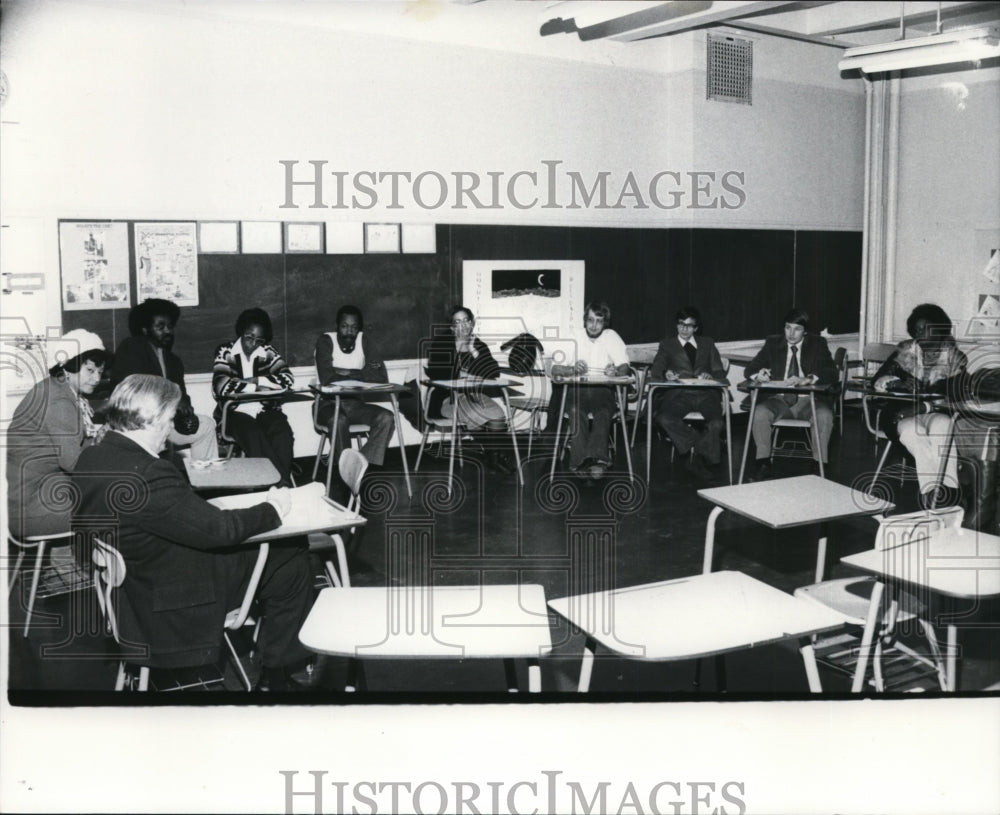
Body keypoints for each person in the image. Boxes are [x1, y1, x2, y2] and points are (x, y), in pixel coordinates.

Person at [72, 374, 315, 691]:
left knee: (267, 550)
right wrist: (274, 507)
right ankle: (277, 672)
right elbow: (222, 530)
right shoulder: (150, 474)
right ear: (152, 419)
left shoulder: (92, 457)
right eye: (170, 419)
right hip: (167, 601)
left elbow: (81, 542)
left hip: (129, 591)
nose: (172, 430)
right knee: (291, 555)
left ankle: (274, 662)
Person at [7, 329, 111, 568]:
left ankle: (67, 566)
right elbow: (74, 464)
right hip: (30, 509)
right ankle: (109, 573)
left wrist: (96, 441)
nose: (96, 378)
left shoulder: (55, 389)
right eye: (90, 370)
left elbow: (70, 452)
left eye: (100, 372)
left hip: (25, 497)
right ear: (68, 366)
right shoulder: (60, 401)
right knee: (120, 500)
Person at [871, 303, 967, 507]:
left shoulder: (955, 359)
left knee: (944, 427)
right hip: (899, 413)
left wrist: (923, 407)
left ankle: (948, 489)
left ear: (940, 329)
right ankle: (935, 493)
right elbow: (876, 381)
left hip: (937, 412)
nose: (920, 335)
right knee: (914, 433)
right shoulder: (905, 351)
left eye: (925, 329)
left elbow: (955, 396)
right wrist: (893, 381)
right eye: (916, 330)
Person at [110, 298, 218, 461]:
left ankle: (206, 481)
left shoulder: (173, 361)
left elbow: (182, 396)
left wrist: (187, 412)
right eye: (160, 327)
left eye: (170, 326)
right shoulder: (131, 348)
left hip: (165, 423)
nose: (168, 331)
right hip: (137, 424)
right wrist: (173, 403)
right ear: (145, 329)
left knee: (206, 425)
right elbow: (133, 392)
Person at [743, 307, 838, 481]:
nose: (791, 334)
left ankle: (819, 465)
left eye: (797, 329)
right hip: (778, 400)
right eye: (787, 328)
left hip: (808, 401)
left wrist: (810, 378)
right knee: (759, 412)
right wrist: (759, 374)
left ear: (806, 331)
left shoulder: (818, 344)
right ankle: (763, 462)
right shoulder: (773, 343)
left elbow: (832, 372)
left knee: (824, 415)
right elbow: (751, 368)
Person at [423, 306, 516, 474]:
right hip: (447, 399)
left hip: (474, 395)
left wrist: (474, 352)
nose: (463, 325)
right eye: (457, 322)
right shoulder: (442, 343)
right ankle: (494, 457)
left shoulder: (478, 344)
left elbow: (493, 372)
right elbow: (436, 374)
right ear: (452, 327)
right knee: (478, 415)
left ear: (472, 323)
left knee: (499, 416)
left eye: (466, 320)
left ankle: (492, 456)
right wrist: (461, 373)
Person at [213, 308, 296, 486]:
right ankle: (283, 484)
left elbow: (287, 380)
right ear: (240, 332)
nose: (252, 344)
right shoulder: (225, 351)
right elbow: (221, 386)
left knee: (282, 434)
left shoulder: (268, 352)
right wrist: (258, 386)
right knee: (253, 433)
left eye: (259, 340)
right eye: (248, 337)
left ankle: (277, 484)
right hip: (234, 412)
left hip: (264, 409)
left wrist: (255, 379)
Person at [549, 302, 630, 481]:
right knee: (576, 411)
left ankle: (597, 461)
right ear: (585, 320)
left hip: (602, 390)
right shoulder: (574, 335)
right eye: (590, 320)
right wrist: (572, 370)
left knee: (603, 412)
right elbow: (555, 370)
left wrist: (615, 371)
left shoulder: (612, 337)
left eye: (599, 321)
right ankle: (577, 462)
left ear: (605, 323)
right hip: (576, 390)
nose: (594, 325)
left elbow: (625, 368)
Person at [649, 306, 729, 482]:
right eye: (680, 324)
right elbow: (656, 371)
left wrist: (711, 376)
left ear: (696, 328)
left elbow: (720, 373)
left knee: (716, 423)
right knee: (664, 419)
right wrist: (666, 374)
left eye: (689, 325)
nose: (684, 329)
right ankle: (703, 448)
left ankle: (695, 458)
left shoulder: (707, 343)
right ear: (676, 325)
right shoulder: (667, 345)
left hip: (706, 393)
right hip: (679, 394)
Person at [314, 305, 394, 468]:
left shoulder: (365, 341)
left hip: (356, 405)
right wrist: (362, 373)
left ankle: (360, 465)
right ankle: (345, 471)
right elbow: (327, 378)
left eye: (354, 327)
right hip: (327, 405)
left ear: (359, 329)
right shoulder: (325, 341)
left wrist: (347, 372)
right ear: (337, 326)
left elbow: (379, 375)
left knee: (387, 417)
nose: (349, 332)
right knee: (339, 420)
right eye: (344, 326)